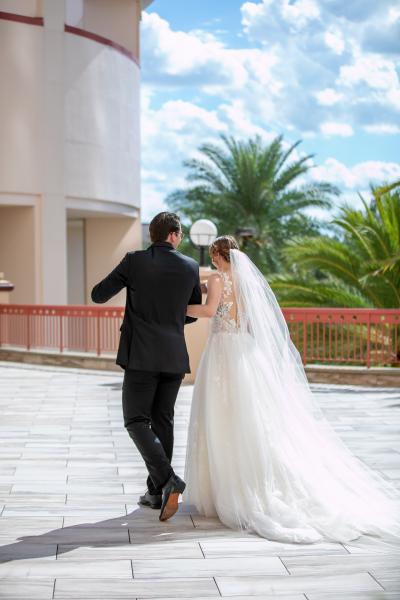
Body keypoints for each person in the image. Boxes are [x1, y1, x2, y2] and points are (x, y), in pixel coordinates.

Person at [183, 235, 400, 544]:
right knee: (250, 418)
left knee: (221, 415)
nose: (213, 260)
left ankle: (229, 488)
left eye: (215, 255)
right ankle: (253, 478)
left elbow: (208, 311)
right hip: (245, 351)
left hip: (222, 353)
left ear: (218, 254)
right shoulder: (244, 280)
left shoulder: (218, 277)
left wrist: (180, 306)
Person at [91, 212, 202, 521]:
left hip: (140, 354)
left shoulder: (134, 261)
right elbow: (190, 314)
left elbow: (98, 295)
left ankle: (168, 480)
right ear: (174, 234)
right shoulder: (191, 266)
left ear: (153, 234)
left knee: (136, 420)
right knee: (162, 421)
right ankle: (155, 493)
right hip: (174, 355)